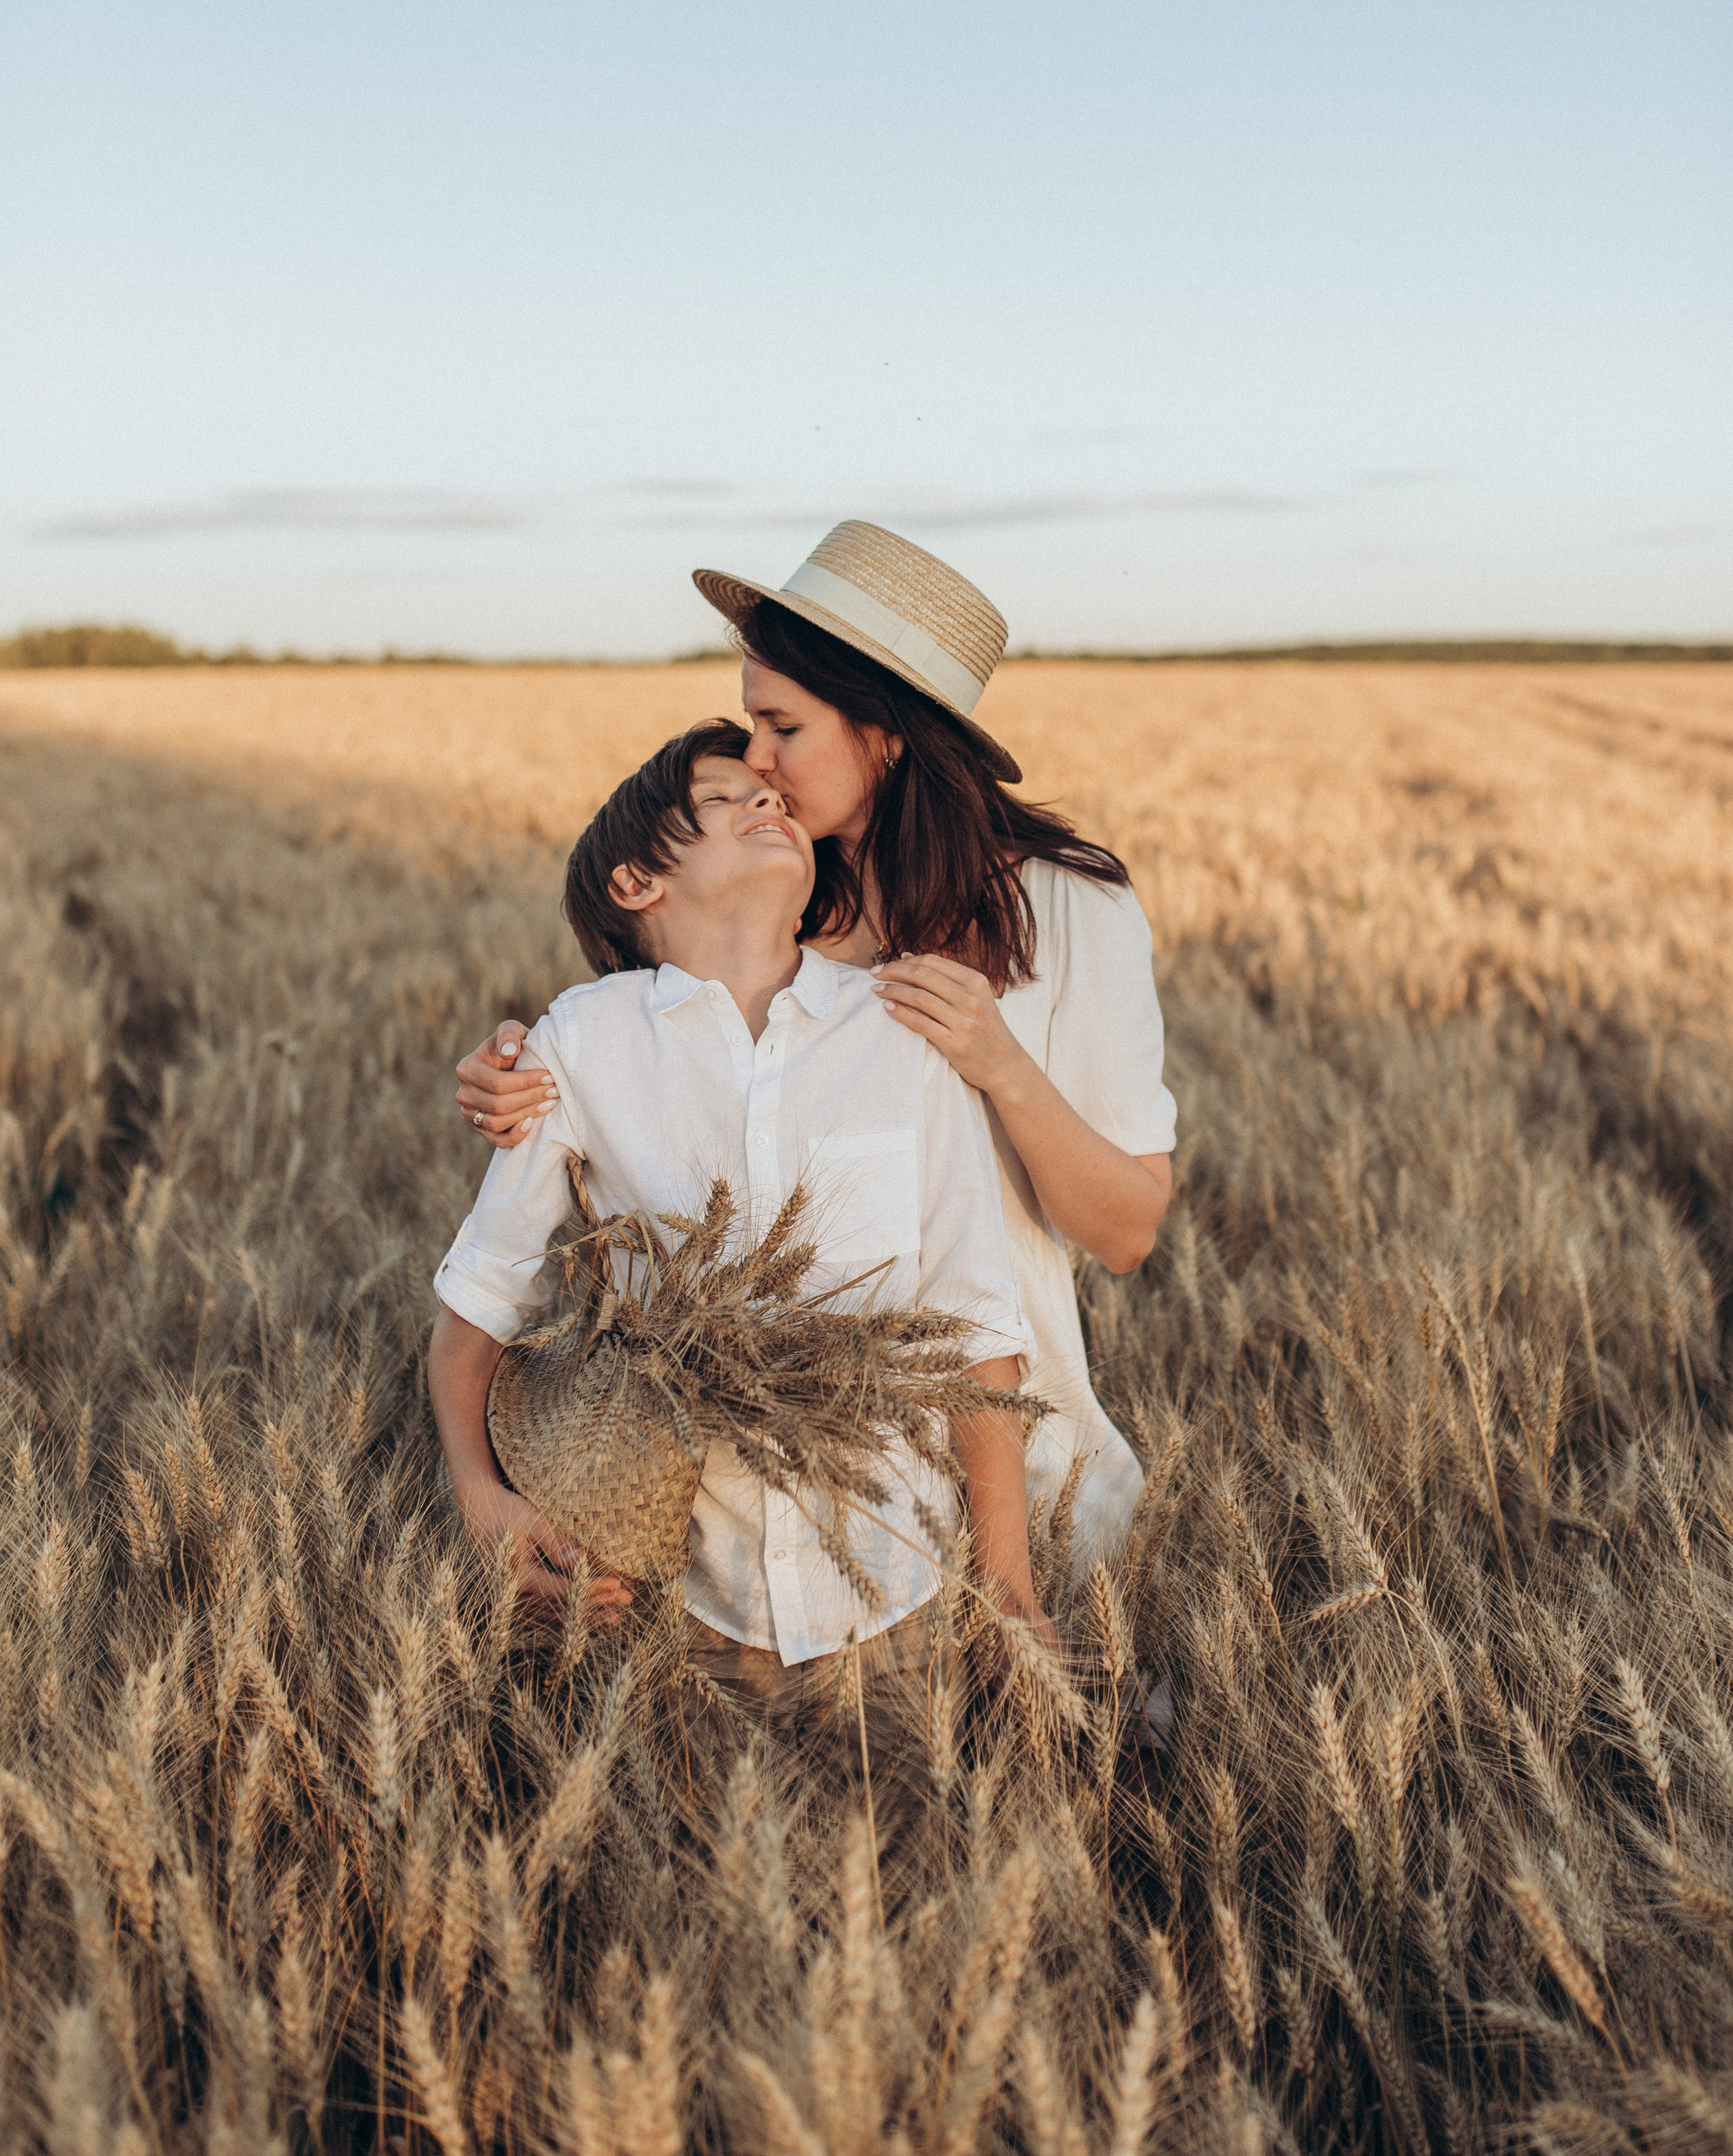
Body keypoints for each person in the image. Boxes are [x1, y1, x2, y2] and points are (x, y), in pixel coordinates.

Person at [456, 523, 1177, 1571]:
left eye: (780, 725)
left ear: (883, 729)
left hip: (1011, 1458)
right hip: (767, 1487)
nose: (756, 759)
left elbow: (1128, 1233)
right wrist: (518, 1065)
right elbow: (654, 1070)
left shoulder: (1072, 909)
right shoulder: (792, 902)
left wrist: (999, 1065)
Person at [429, 718, 1049, 1792]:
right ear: (635, 882)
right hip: (672, 1609)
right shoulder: (583, 1043)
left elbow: (975, 1324)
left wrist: (1007, 1584)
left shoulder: (903, 1028)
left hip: (893, 1600)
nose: (766, 801)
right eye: (720, 802)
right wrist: (476, 1492)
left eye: (771, 797)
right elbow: (478, 1295)